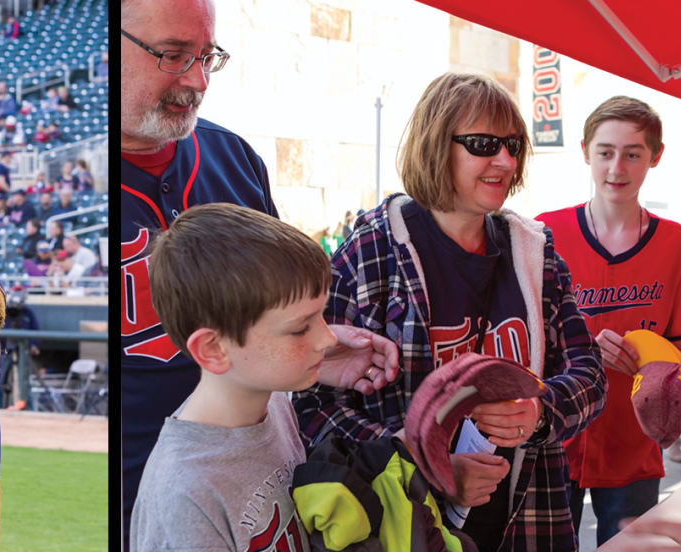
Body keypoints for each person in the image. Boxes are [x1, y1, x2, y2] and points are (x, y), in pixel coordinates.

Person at [296, 73, 604, 552]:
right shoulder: (372, 250)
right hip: (411, 528)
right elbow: (311, 402)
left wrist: (541, 413)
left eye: (513, 144)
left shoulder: (535, 252)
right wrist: (426, 466)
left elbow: (589, 373)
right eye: (483, 144)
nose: (504, 160)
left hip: (530, 520)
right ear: (437, 145)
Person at [117, 0, 304, 524]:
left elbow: (281, 318)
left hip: (261, 493)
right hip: (137, 506)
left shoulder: (235, 158)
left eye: (207, 56)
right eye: (173, 55)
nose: (197, 81)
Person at [129, 203, 391, 551]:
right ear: (213, 349)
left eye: (321, 315)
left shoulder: (275, 403)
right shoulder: (185, 494)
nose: (328, 338)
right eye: (301, 328)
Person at [538, 96, 681, 546]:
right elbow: (526, 345)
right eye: (605, 152)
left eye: (633, 153)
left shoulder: (676, 243)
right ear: (584, 151)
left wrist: (657, 374)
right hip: (554, 434)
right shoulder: (543, 233)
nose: (617, 168)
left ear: (655, 156)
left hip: (633, 441)